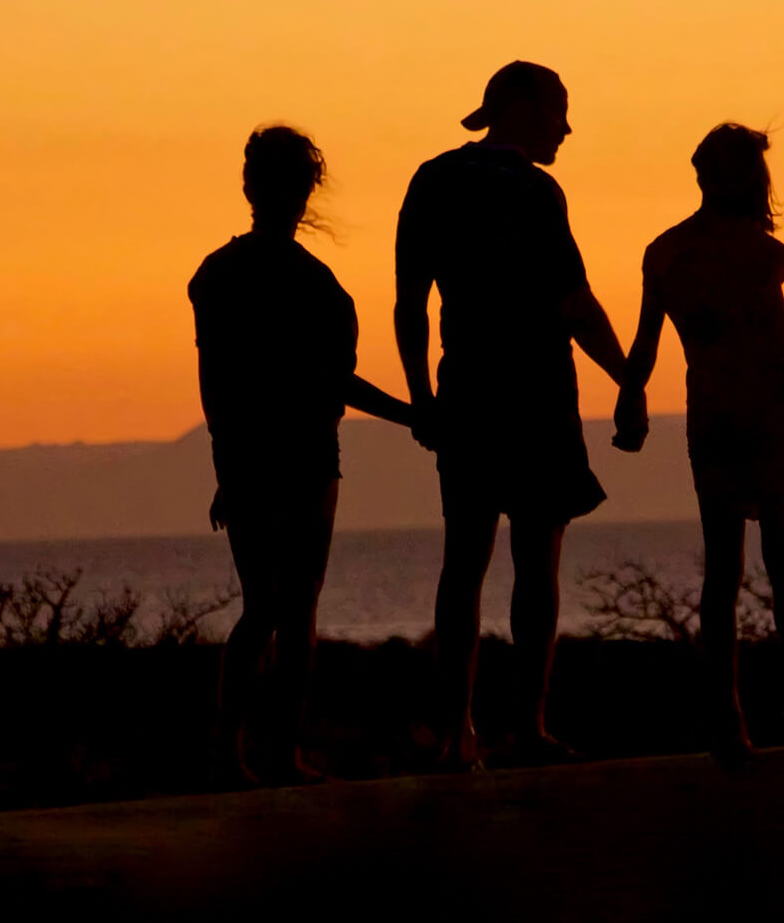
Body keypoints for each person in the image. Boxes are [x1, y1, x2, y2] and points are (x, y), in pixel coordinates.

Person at [394, 61, 628, 770]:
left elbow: (410, 304)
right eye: (559, 110)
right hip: (536, 397)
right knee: (536, 564)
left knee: (463, 562)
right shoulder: (535, 190)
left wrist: (421, 399)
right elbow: (573, 301)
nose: (565, 126)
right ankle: (527, 725)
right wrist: (629, 378)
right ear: (524, 110)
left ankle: (458, 729)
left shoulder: (432, 179)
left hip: (464, 392)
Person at [188, 125, 412, 786]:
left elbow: (217, 385)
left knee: (271, 607)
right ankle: (266, 751)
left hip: (266, 458)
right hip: (297, 459)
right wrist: (413, 415)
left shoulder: (223, 274)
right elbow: (332, 381)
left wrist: (226, 465)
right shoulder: (309, 283)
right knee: (290, 608)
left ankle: (247, 751)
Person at [613, 123, 784, 761]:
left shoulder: (666, 252)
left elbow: (646, 344)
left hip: (712, 414)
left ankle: (733, 720)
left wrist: (631, 401)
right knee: (782, 567)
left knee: (726, 571)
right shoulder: (757, 251)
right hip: (763, 415)